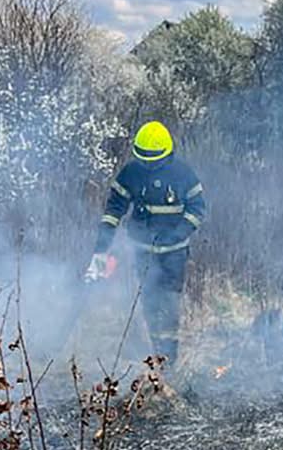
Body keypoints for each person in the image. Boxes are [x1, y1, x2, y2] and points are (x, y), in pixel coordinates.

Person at [88, 121, 205, 370]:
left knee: (170, 303)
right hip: (142, 251)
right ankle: (156, 354)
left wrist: (178, 233)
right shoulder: (131, 173)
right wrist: (103, 245)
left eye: (153, 160)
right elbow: (114, 209)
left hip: (174, 253)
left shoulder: (183, 174)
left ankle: (170, 359)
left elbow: (197, 209)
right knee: (150, 301)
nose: (148, 165)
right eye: (144, 160)